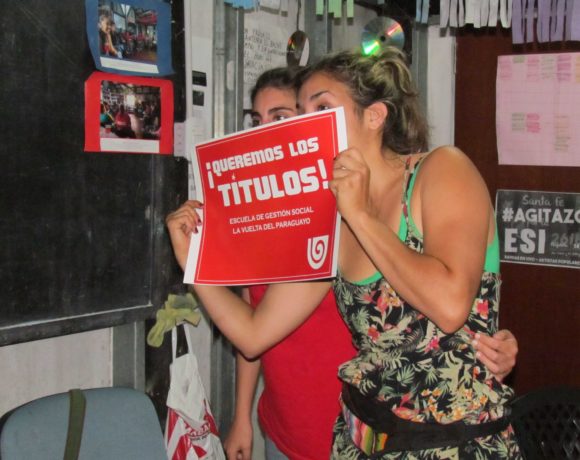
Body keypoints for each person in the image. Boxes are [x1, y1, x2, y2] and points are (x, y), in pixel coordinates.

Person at [167, 48, 521, 458]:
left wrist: (361, 215)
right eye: (301, 113)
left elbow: (450, 304)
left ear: (374, 117)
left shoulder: (441, 170)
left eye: (322, 108)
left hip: (452, 444)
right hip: (361, 440)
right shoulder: (331, 219)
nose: (305, 125)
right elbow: (253, 335)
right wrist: (193, 263)